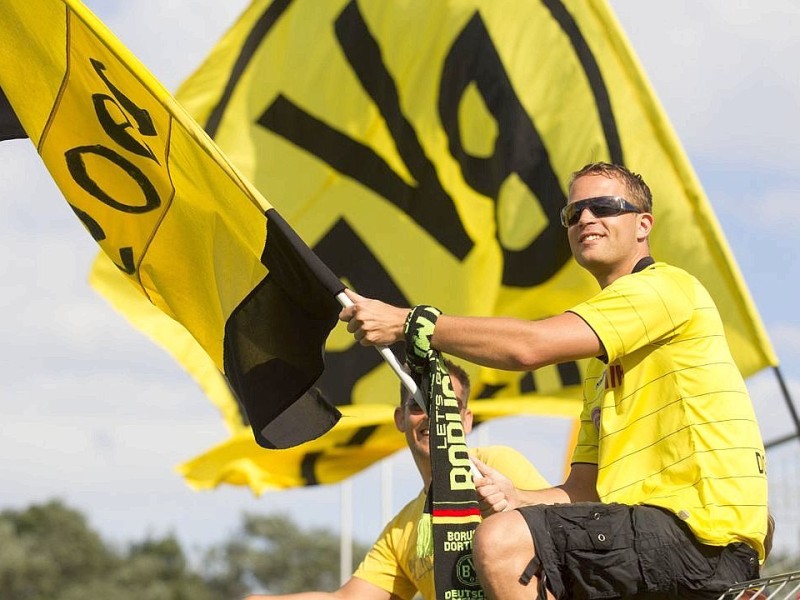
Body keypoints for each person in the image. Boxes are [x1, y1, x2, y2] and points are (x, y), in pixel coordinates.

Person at [339, 162, 769, 599]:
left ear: (643, 224)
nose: (585, 218)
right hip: (652, 540)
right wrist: (517, 495)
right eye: (573, 213)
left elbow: (529, 347)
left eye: (603, 206)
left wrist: (410, 322)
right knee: (512, 538)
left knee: (501, 542)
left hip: (700, 537)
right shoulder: (601, 362)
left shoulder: (665, 288)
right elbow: (582, 489)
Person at [244, 358, 549, 600]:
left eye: (446, 406)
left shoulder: (496, 465)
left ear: (466, 420)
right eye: (418, 405)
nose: (433, 415)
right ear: (400, 419)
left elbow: (564, 524)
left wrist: (515, 501)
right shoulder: (400, 530)